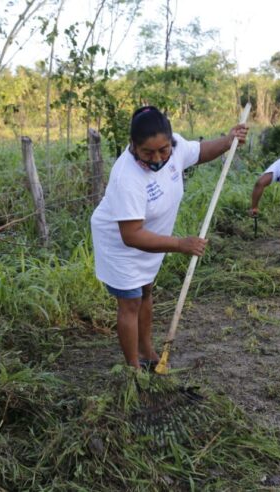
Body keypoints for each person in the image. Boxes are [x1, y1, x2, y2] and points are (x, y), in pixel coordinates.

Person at [90, 106, 248, 369]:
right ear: (133, 145)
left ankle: (148, 352)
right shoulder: (126, 178)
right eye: (147, 152)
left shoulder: (174, 148)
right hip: (120, 243)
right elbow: (131, 235)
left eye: (163, 150)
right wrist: (179, 244)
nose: (157, 159)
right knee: (130, 301)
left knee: (146, 290)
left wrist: (227, 140)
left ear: (171, 141)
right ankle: (133, 369)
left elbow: (199, 152)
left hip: (152, 238)